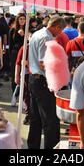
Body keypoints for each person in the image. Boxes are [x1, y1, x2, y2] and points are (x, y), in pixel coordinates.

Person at [27, 15, 65, 149]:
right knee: (50, 121)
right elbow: (44, 64)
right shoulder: (46, 37)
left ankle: (33, 146)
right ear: (57, 27)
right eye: (60, 31)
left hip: (35, 79)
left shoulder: (38, 33)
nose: (59, 34)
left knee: (35, 119)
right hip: (42, 81)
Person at [9, 14, 26, 92]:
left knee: (24, 73)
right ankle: (14, 93)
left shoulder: (27, 29)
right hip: (15, 53)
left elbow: (29, 42)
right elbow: (10, 44)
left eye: (23, 19)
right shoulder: (13, 30)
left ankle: (24, 92)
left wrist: (24, 36)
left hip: (25, 53)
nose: (22, 20)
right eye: (20, 19)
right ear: (17, 20)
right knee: (15, 73)